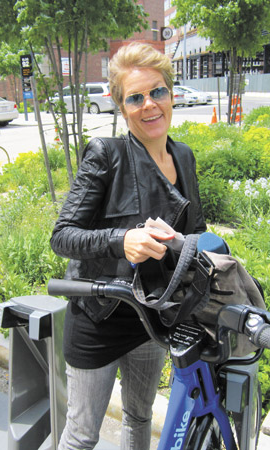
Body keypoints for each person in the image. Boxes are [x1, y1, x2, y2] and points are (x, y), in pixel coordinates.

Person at [50, 42, 206, 450]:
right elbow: (62, 235)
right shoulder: (106, 155)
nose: (149, 105)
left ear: (171, 94)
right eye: (135, 97)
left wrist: (188, 246)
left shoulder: (184, 156)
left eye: (157, 92)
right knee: (82, 436)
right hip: (99, 316)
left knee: (139, 419)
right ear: (122, 107)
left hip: (151, 318)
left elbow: (197, 229)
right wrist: (122, 240)